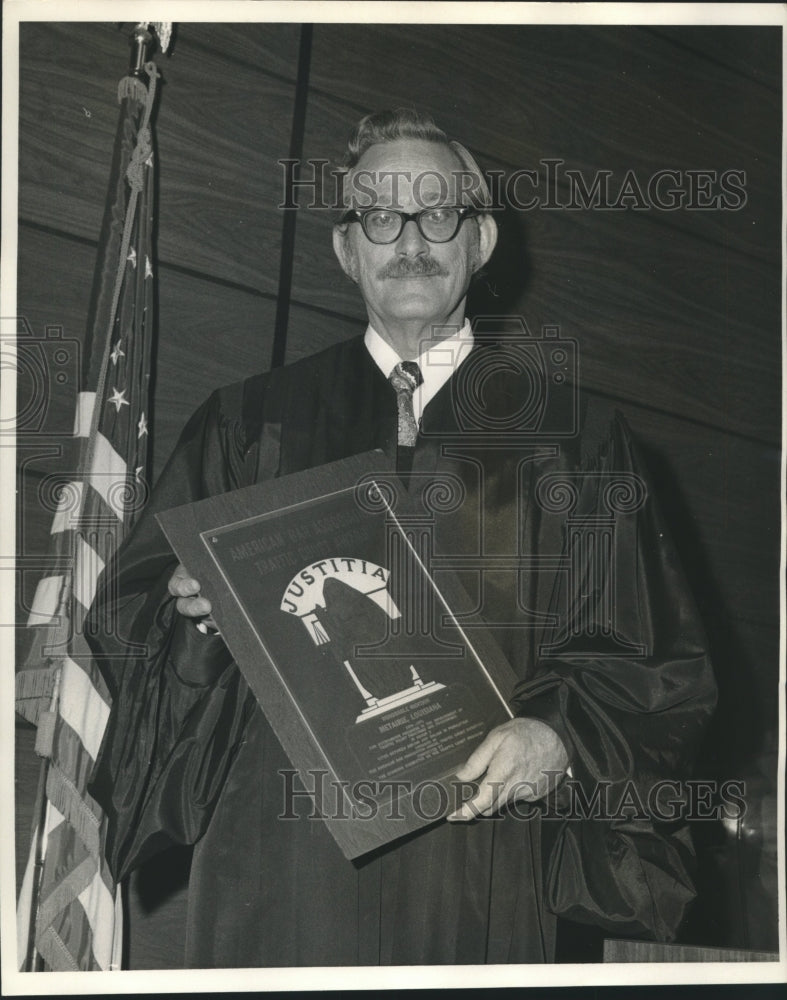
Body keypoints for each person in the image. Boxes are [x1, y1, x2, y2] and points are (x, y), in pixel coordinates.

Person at [87, 108, 716, 967]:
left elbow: (648, 660)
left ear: (482, 239)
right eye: (378, 217)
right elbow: (130, 629)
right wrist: (193, 617)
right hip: (278, 853)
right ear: (348, 250)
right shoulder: (248, 425)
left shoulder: (572, 439)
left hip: (482, 850)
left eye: (437, 212)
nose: (409, 240)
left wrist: (556, 737)